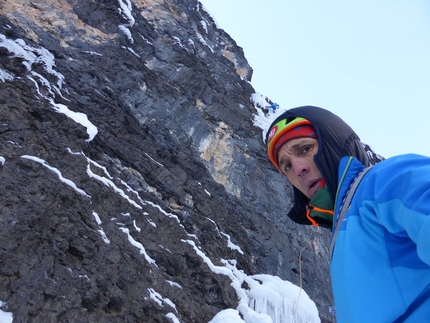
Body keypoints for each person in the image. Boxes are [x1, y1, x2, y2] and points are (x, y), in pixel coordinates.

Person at [265, 106, 430, 323]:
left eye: (305, 149)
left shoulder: (383, 180)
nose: (297, 168)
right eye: (286, 166)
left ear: (333, 143)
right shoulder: (342, 229)